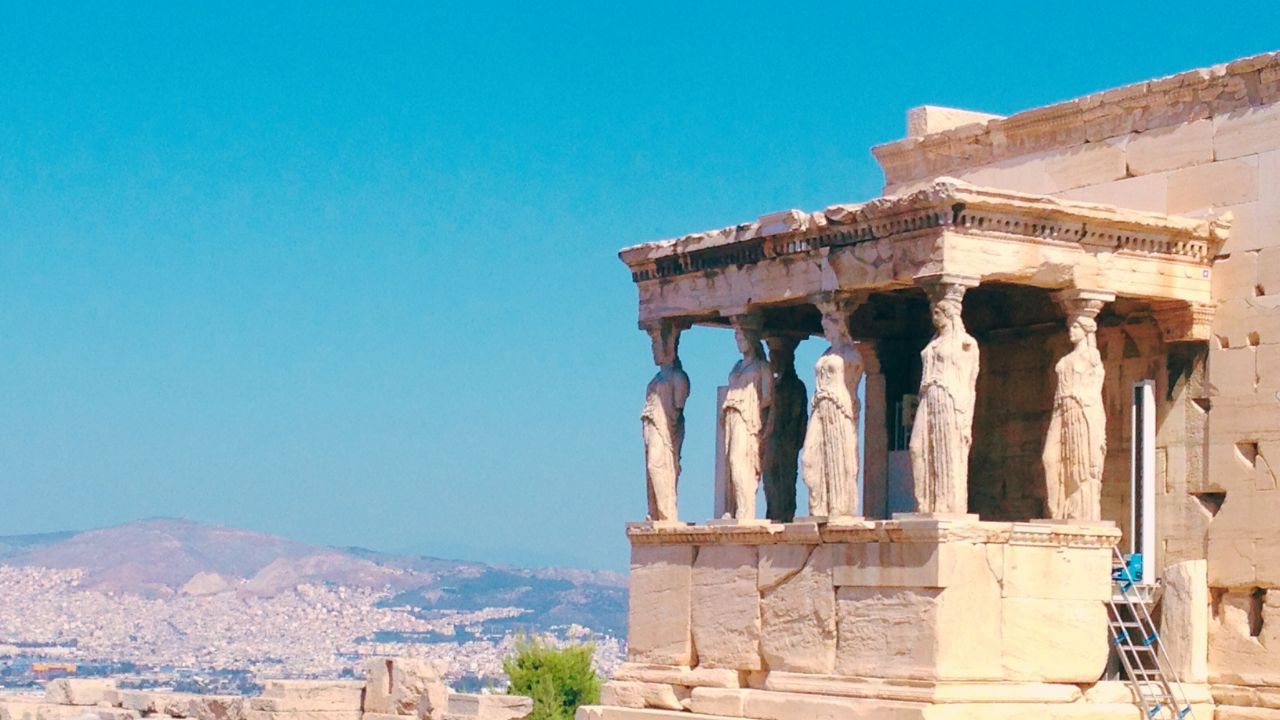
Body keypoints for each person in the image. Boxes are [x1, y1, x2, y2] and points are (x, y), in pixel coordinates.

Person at [909, 292, 979, 514]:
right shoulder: (934, 342)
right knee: (916, 447)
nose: (934, 318)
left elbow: (970, 380)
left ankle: (948, 505)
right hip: (928, 396)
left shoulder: (965, 344)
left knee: (947, 450)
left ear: (949, 314)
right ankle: (924, 502)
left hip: (950, 398)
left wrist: (966, 418)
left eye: (937, 313)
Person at [1043, 316, 1106, 521]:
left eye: (1076, 327)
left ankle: (1080, 513)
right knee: (1049, 458)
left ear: (1086, 331)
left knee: (1081, 465)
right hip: (1062, 411)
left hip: (1081, 412)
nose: (1071, 330)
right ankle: (1057, 509)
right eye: (1071, 326)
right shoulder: (1064, 361)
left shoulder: (1091, 357)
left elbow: (1095, 389)